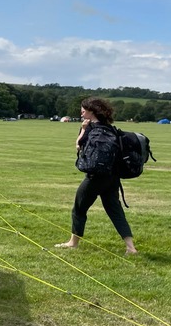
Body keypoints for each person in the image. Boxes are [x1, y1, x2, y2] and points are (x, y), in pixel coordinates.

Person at [55, 97, 138, 254]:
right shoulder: (111, 129)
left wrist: (84, 130)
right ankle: (130, 247)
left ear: (92, 111)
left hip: (95, 177)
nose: (81, 112)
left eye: (84, 110)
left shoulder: (91, 129)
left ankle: (73, 243)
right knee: (115, 211)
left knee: (79, 208)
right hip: (113, 177)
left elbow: (78, 146)